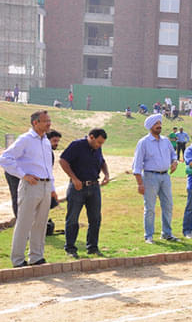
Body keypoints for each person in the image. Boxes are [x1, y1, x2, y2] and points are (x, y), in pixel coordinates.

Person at [0, 111, 58, 267]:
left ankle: (36, 257)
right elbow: (5, 159)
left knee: (41, 223)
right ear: (35, 122)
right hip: (30, 186)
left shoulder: (46, 141)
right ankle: (18, 260)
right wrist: (23, 175)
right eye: (46, 121)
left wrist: (52, 188)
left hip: (45, 186)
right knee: (24, 223)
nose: (49, 124)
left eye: (49, 120)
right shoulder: (25, 140)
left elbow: (48, 167)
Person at [59, 129, 110, 258]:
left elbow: (102, 161)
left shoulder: (97, 147)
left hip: (94, 187)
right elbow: (63, 161)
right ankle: (70, 248)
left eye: (102, 144)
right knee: (72, 219)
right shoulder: (76, 145)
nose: (99, 146)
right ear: (91, 137)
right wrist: (74, 178)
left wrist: (106, 174)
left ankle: (92, 247)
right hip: (77, 187)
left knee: (95, 219)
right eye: (98, 142)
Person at [132, 113, 179, 244]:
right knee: (150, 208)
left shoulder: (166, 141)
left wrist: (174, 162)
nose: (159, 126)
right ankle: (149, 235)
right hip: (150, 177)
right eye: (156, 124)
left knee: (168, 205)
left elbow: (173, 155)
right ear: (150, 126)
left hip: (165, 176)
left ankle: (167, 233)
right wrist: (140, 184)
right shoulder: (143, 143)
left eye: (160, 123)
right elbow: (136, 165)